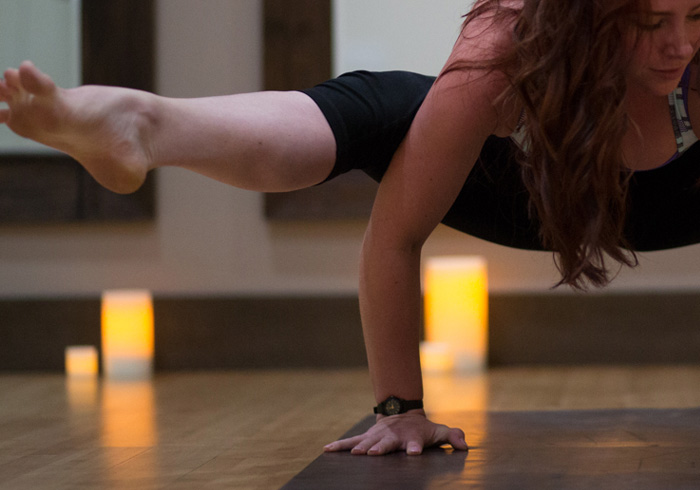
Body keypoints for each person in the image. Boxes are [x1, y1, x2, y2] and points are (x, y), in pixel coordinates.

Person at [1, 0, 700, 456]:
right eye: (649, 21)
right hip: (528, 193)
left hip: (680, 195)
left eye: (693, 14)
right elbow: (395, 235)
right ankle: (144, 124)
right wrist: (401, 409)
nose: (678, 43)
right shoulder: (505, 44)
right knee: (392, 106)